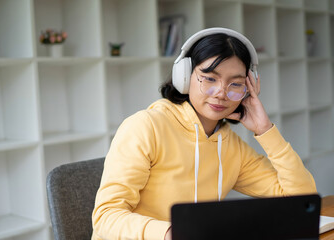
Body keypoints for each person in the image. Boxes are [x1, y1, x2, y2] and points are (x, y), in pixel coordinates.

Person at [91, 28, 317, 240]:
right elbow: (105, 217)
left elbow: (300, 199)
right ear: (184, 75)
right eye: (209, 78)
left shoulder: (232, 147)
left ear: (248, 89)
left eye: (235, 84)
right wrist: (174, 234)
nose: (221, 93)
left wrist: (265, 130)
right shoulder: (145, 127)